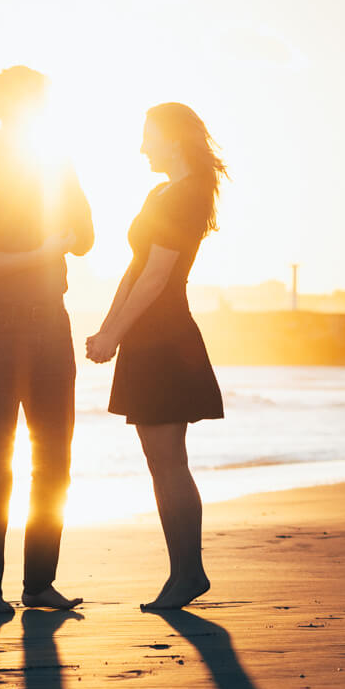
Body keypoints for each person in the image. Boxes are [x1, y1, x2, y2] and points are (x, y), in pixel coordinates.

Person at [0, 66, 94, 615]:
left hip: (51, 322)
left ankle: (38, 584)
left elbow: (85, 237)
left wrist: (51, 232)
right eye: (41, 100)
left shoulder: (56, 163)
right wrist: (39, 250)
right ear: (10, 106)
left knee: (55, 457)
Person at [86, 102, 225, 611]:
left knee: (169, 462)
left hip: (166, 339)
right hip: (145, 340)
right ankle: (184, 573)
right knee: (160, 460)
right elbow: (134, 267)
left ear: (171, 138)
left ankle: (188, 574)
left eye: (147, 136)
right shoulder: (161, 192)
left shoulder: (188, 195)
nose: (141, 147)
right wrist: (108, 329)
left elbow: (157, 278)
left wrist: (114, 336)